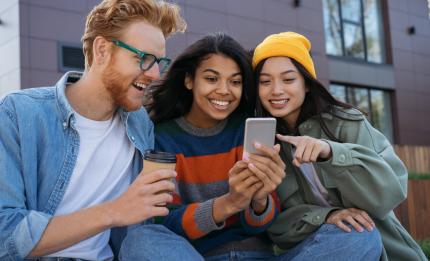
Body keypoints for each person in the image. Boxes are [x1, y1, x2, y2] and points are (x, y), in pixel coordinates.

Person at [0, 0, 205, 260]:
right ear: (102, 50)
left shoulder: (140, 123)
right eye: (143, 59)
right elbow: (5, 235)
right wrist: (114, 211)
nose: (155, 74)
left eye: (159, 62)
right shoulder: (18, 114)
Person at [251, 31, 427, 261]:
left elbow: (391, 191)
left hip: (378, 250)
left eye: (288, 79)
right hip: (322, 250)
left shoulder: (347, 122)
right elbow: (278, 230)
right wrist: (327, 215)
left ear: (306, 84)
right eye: (265, 81)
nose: (276, 90)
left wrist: (331, 152)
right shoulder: (264, 143)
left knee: (360, 234)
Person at [120, 33, 286, 260]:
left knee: (345, 239)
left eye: (235, 82)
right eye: (211, 79)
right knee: (140, 240)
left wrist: (260, 200)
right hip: (196, 256)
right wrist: (228, 204)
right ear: (189, 80)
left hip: (259, 255)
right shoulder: (163, 138)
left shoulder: (247, 131)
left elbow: (260, 226)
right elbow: (164, 221)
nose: (224, 90)